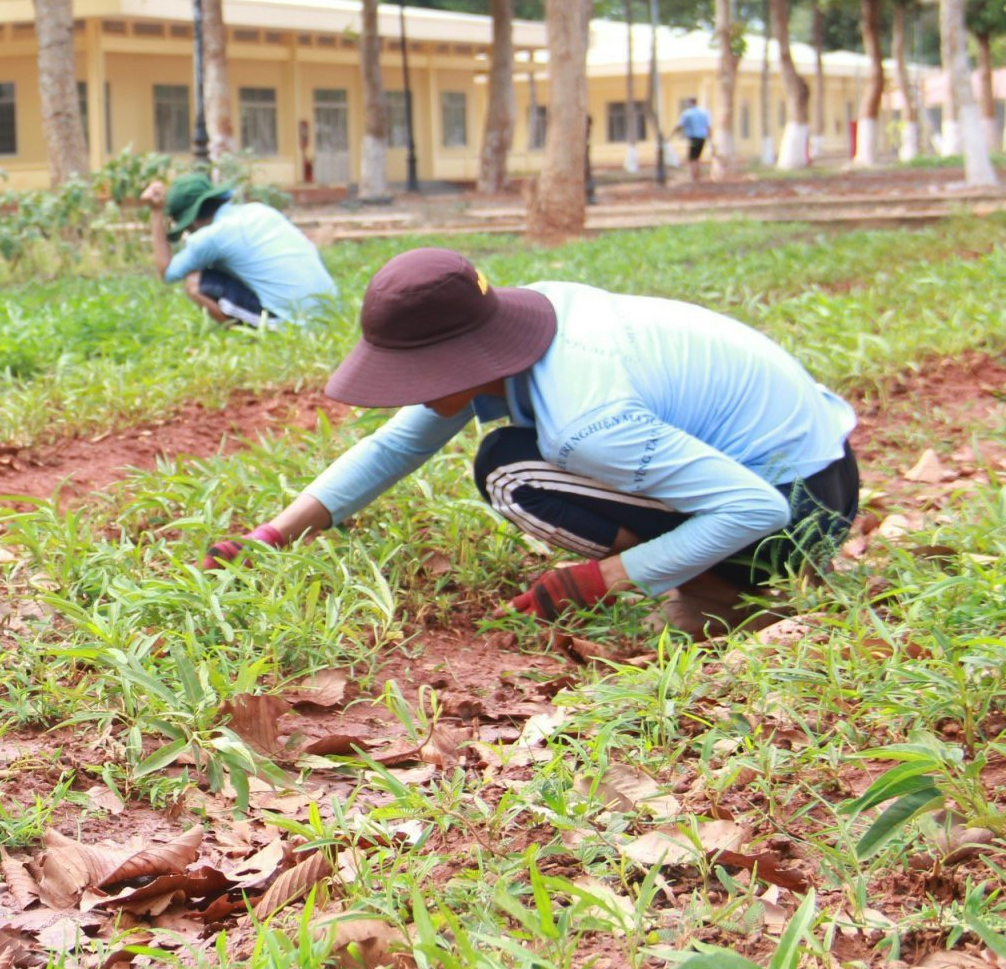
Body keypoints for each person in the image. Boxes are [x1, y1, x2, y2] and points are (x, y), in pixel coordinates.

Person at [205, 247, 859, 637]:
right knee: (513, 453)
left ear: (464, 357)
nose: (405, 388)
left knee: (510, 470)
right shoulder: (534, 322)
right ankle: (700, 565)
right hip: (823, 466)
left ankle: (725, 592)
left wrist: (598, 581)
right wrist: (274, 534)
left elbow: (758, 510)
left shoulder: (587, 419)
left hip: (797, 511)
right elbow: (395, 446)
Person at [140, 174, 336, 328]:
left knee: (195, 282)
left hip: (295, 323)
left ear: (193, 221)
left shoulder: (211, 236)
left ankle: (246, 334)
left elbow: (167, 273)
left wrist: (156, 212)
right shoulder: (258, 210)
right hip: (329, 314)